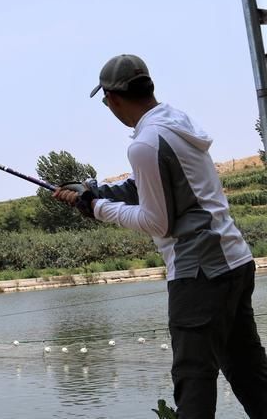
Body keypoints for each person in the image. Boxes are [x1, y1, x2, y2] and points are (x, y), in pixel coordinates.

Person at [54, 54, 267, 418]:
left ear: (114, 99)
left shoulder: (144, 143)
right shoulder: (174, 122)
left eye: (106, 101)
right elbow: (147, 185)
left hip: (199, 273)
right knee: (249, 372)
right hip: (234, 262)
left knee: (193, 378)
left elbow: (158, 222)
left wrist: (95, 208)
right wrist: (94, 190)